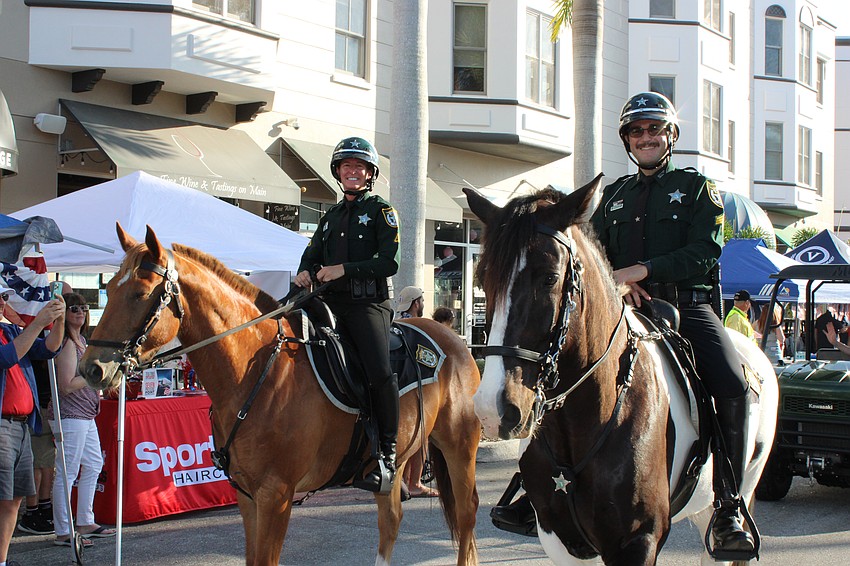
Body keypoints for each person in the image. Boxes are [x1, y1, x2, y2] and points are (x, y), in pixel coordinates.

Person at [492, 92, 756, 558]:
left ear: (670, 136)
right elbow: (599, 259)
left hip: (684, 305)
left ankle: (729, 505)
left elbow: (705, 251)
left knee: (731, 383)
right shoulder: (614, 195)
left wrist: (643, 271)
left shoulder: (697, 189)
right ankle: (532, 491)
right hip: (622, 305)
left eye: (655, 129)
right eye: (637, 131)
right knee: (563, 372)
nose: (646, 138)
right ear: (627, 140)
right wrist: (618, 282)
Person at [293, 136, 400, 493]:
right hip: (330, 302)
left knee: (379, 371)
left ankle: (387, 451)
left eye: (359, 167)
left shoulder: (382, 212)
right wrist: (305, 271)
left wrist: (343, 269)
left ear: (369, 174)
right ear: (338, 173)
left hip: (367, 304)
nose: (352, 172)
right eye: (346, 167)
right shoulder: (330, 217)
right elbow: (311, 253)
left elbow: (389, 262)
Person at [1, 286, 65, 566]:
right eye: (2, 297)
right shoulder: (16, 333)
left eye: (4, 297)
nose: (5, 301)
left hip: (21, 426)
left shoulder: (13, 331)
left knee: (14, 498)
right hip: (2, 426)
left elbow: (49, 349)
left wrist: (59, 320)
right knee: (2, 496)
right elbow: (7, 358)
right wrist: (38, 321)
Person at [48, 294, 114, 546]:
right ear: (64, 313)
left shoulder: (82, 341)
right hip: (70, 415)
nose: (80, 312)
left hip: (85, 413)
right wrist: (93, 375)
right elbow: (66, 385)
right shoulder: (67, 345)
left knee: (94, 463)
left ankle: (85, 520)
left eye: (83, 308)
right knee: (68, 471)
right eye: (73, 308)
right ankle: (63, 530)